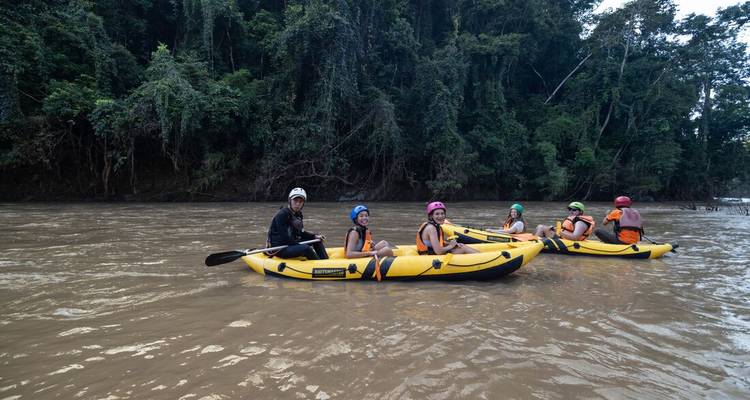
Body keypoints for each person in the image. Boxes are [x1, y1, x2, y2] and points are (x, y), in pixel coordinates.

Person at [266, 187, 328, 260]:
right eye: (295, 200)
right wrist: (298, 245)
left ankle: (325, 261)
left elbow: (300, 233)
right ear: (290, 200)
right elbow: (284, 238)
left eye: (300, 201)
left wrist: (314, 236)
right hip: (280, 248)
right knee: (306, 248)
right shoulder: (282, 215)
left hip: (290, 244)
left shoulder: (298, 215)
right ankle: (319, 266)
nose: (298, 204)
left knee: (317, 241)